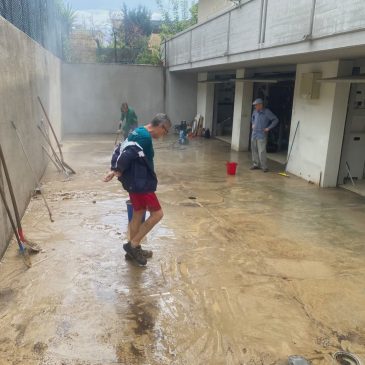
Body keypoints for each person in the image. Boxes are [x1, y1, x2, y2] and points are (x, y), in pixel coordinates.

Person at [103, 113, 171, 266]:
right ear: (161, 126)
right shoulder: (145, 138)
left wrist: (115, 169)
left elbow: (120, 147)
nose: (164, 135)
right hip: (141, 183)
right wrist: (116, 170)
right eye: (165, 132)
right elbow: (127, 154)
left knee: (138, 213)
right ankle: (133, 245)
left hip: (134, 182)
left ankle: (133, 250)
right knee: (157, 214)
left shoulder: (139, 130)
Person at [250, 98, 279, 172]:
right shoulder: (255, 111)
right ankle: (255, 164)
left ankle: (264, 166)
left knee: (262, 151)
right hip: (254, 133)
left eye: (256, 105)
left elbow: (275, 120)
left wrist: (268, 128)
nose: (255, 107)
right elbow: (252, 118)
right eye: (255, 106)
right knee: (254, 149)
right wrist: (253, 123)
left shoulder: (267, 112)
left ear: (260, 105)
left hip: (261, 134)